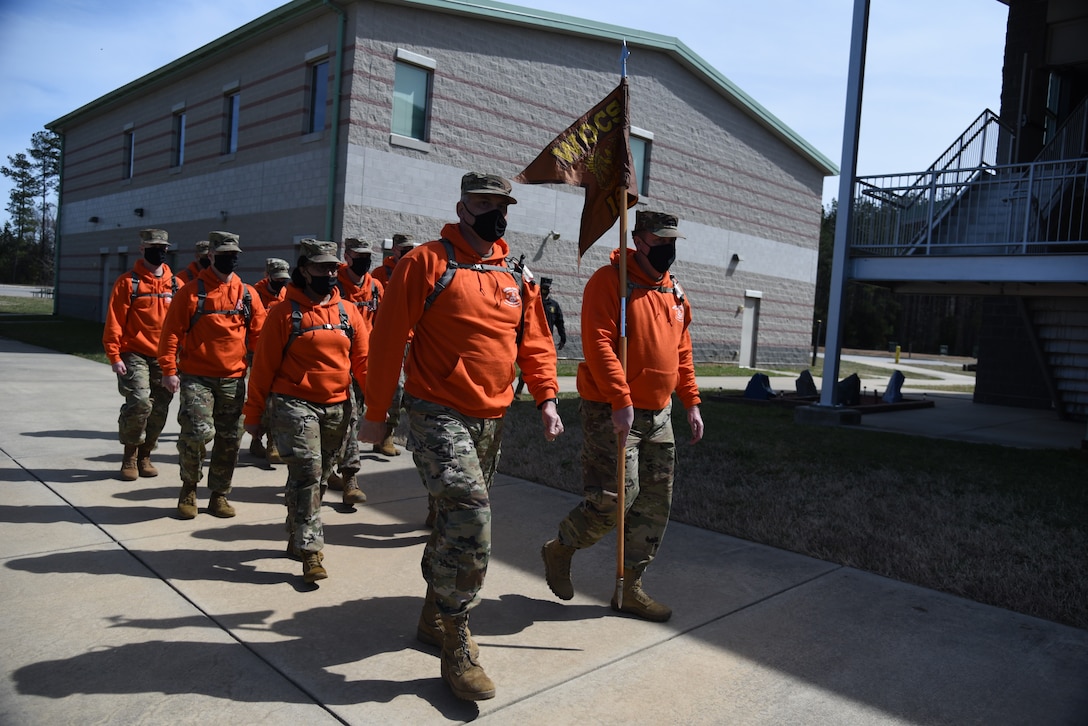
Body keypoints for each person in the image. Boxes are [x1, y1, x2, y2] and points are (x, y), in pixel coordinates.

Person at [359, 171, 563, 702]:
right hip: (436, 411)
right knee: (471, 519)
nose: (494, 211)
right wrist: (377, 410)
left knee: (454, 522)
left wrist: (546, 397)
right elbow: (386, 340)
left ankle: (433, 614)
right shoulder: (425, 262)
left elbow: (535, 341)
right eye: (483, 202)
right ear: (462, 206)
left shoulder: (516, 273)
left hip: (490, 417)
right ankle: (457, 638)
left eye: (502, 204)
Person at [541, 210, 704, 623]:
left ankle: (629, 588)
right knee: (614, 500)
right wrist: (620, 397)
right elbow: (597, 343)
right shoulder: (610, 283)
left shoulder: (675, 293)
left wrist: (692, 402)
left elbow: (682, 353)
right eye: (660, 240)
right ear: (640, 240)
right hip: (612, 411)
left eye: (673, 241)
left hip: (660, 415)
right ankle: (561, 548)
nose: (668, 248)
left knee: (653, 503)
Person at [244, 239, 369, 584]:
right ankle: (311, 551)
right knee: (308, 474)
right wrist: (254, 416)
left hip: (338, 406)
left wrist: (380, 405)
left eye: (333, 267)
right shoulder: (284, 313)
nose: (329, 273)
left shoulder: (349, 312)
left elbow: (364, 363)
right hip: (294, 404)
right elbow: (264, 368)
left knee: (319, 477)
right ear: (303, 269)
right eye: (320, 267)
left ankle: (295, 531)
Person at [158, 231, 267, 519]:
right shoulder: (191, 292)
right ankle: (189, 489)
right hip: (197, 377)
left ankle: (219, 494)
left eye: (235, 255)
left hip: (233, 379)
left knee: (230, 439)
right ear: (211, 256)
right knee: (195, 433)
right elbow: (170, 334)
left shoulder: (247, 294)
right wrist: (169, 370)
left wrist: (264, 374)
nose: (230, 259)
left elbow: (260, 338)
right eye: (224, 254)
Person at [102, 228, 178, 481]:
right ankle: (130, 455)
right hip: (134, 353)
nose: (160, 252)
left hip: (165, 357)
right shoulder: (128, 282)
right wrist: (114, 355)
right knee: (140, 402)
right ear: (142, 249)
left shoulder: (175, 285)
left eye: (163, 248)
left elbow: (182, 325)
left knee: (160, 408)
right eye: (154, 247)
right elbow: (115, 320)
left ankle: (146, 454)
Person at [324, 237, 383, 505]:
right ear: (347, 256)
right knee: (343, 422)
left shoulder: (376, 288)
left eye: (368, 255)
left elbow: (383, 323)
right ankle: (330, 472)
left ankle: (350, 478)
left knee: (351, 420)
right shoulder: (333, 286)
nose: (365, 261)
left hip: (367, 362)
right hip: (339, 364)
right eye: (359, 255)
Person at [370, 232, 418, 457]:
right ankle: (384, 433)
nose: (408, 251)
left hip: (411, 340)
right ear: (395, 250)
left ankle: (385, 432)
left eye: (411, 247)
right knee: (395, 387)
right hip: (390, 339)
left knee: (407, 391)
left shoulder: (416, 270)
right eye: (404, 248)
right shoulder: (381, 274)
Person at [248, 257, 291, 462]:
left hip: (279, 352)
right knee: (260, 398)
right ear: (267, 276)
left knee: (275, 398)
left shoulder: (287, 295)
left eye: (284, 279)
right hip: (256, 352)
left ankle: (273, 442)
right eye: (276, 278)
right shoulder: (255, 295)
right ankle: (256, 439)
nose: (281, 283)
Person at [514, 275, 566, 397]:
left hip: (547, 339)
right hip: (533, 337)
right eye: (543, 289)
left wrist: (563, 338)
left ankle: (546, 393)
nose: (544, 292)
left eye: (546, 289)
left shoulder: (553, 305)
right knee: (530, 367)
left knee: (547, 367)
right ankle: (519, 392)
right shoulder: (535, 302)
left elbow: (560, 322)